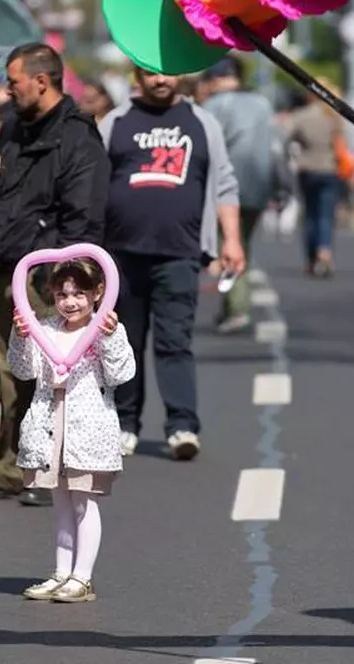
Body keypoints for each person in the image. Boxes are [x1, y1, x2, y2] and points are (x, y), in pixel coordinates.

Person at [0, 43, 111, 504]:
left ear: (41, 82)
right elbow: (5, 207)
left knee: (50, 377)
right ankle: (15, 466)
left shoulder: (78, 138)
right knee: (10, 371)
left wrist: (65, 281)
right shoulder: (18, 131)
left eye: (14, 81)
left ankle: (51, 467)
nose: (8, 89)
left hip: (46, 278)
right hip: (8, 269)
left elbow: (83, 220)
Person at [99, 65, 246, 460]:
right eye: (150, 73)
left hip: (180, 254)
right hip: (120, 255)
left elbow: (225, 183)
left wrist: (231, 239)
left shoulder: (203, 123)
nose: (160, 80)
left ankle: (182, 425)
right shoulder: (115, 122)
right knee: (123, 344)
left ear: (180, 76)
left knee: (175, 342)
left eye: (167, 73)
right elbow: (94, 182)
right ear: (135, 74)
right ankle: (125, 425)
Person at [8, 259, 136, 603]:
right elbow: (23, 370)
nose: (71, 301)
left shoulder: (105, 328)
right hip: (49, 422)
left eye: (79, 293)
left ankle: (83, 576)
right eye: (63, 294)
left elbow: (121, 374)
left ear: (98, 294)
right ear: (52, 294)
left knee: (83, 502)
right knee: (60, 502)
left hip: (88, 425)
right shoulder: (44, 327)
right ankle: (61, 572)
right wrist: (20, 337)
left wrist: (109, 338)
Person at [201, 56, 289, 333]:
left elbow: (205, 150)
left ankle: (237, 308)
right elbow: (276, 149)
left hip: (224, 188)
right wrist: (282, 186)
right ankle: (230, 307)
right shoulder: (263, 104)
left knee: (229, 245)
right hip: (258, 186)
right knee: (243, 244)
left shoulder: (215, 105)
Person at [286, 78, 345, 277]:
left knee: (310, 214)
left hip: (307, 168)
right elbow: (341, 143)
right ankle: (325, 250)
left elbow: (287, 136)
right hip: (329, 169)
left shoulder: (302, 115)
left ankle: (311, 260)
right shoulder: (333, 115)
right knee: (326, 215)